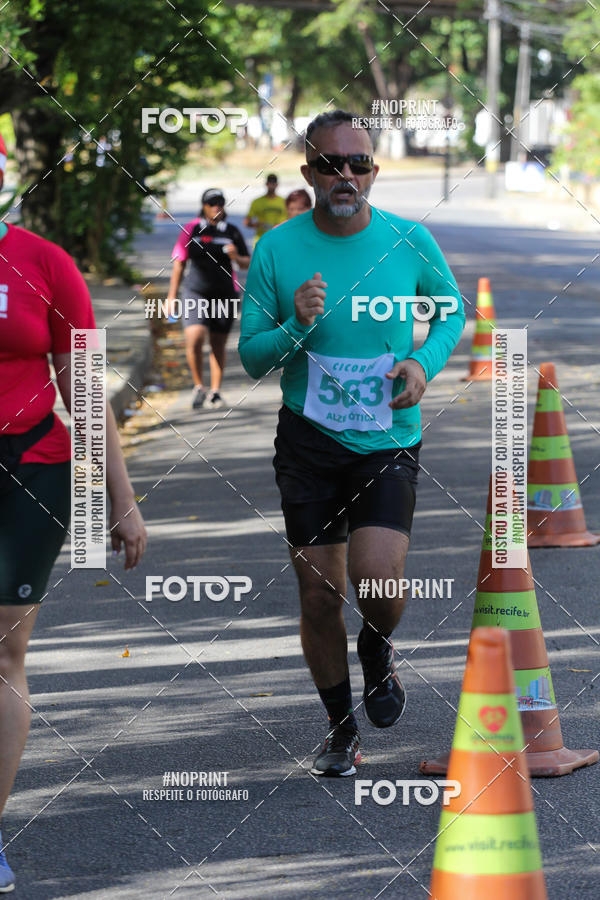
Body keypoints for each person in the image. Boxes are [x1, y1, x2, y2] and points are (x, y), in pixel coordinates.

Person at [239, 110, 465, 777]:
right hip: (308, 441)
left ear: (374, 170)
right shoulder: (279, 249)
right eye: (332, 164)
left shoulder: (408, 240)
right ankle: (341, 729)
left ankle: (377, 644)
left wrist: (424, 363)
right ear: (308, 171)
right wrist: (298, 328)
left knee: (377, 580)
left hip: (386, 439)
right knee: (317, 593)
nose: (347, 175)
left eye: (358, 163)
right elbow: (252, 356)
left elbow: (451, 308)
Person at [0, 131, 147, 890]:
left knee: (1, 654)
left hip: (29, 469)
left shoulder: (44, 263)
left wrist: (122, 501)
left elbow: (85, 389)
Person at [167, 188, 250, 410]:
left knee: (218, 343)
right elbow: (179, 262)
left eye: (220, 203)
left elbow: (247, 263)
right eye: (211, 203)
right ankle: (198, 386)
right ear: (203, 206)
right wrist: (171, 296)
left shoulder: (231, 231)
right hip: (196, 291)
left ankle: (215, 391)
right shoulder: (192, 229)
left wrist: (236, 256)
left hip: (225, 293)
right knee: (194, 337)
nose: (216, 207)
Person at [243, 174, 287, 244]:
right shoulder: (257, 202)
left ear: (277, 185)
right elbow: (246, 222)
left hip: (279, 239)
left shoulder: (284, 202)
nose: (271, 185)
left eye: (273, 183)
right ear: (266, 184)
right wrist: (257, 225)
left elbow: (292, 220)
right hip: (262, 240)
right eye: (270, 183)